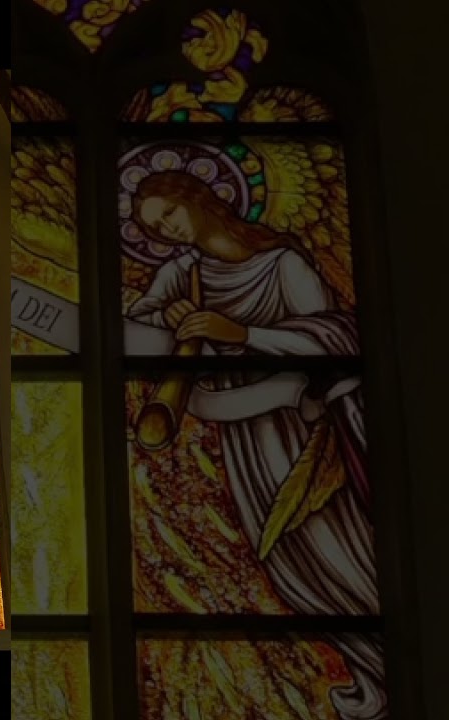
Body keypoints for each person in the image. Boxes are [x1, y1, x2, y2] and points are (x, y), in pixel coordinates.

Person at [127, 170, 384, 720]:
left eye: (169, 213)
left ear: (196, 198)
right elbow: (134, 323)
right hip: (248, 442)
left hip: (308, 431)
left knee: (335, 543)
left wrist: (240, 335)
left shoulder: (281, 262)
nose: (169, 230)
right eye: (155, 226)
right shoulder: (182, 272)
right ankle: (367, 672)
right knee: (292, 561)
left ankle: (384, 666)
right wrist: (170, 319)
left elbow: (332, 338)